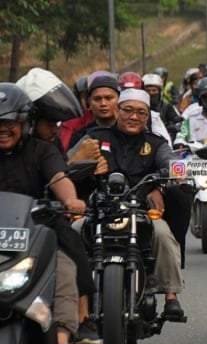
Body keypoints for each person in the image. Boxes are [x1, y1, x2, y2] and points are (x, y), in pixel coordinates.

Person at [0, 82, 97, 344]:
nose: (3, 128)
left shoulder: (42, 150)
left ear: (24, 122)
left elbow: (59, 178)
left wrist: (70, 200)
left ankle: (65, 335)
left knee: (65, 267)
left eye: (9, 122)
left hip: (39, 230)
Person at [68, 88, 186, 319]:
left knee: (162, 233)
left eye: (141, 113)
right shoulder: (95, 136)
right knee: (73, 231)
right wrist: (82, 162)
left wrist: (176, 176)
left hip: (139, 211)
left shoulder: (156, 143)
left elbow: (171, 162)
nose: (134, 117)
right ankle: (71, 293)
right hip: (98, 210)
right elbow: (68, 162)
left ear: (147, 117)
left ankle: (171, 296)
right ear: (117, 111)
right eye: (128, 110)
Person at [143, 72, 182, 142]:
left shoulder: (167, 107)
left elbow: (180, 123)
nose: (151, 93)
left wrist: (172, 127)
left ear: (160, 91)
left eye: (154, 90)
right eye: (148, 91)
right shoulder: (140, 108)